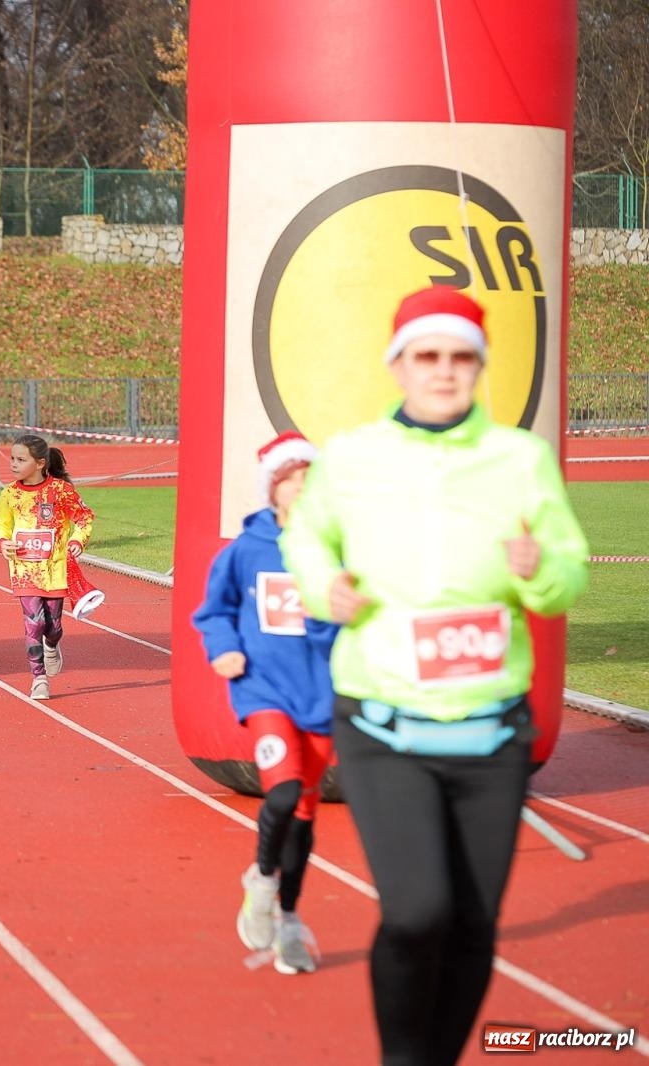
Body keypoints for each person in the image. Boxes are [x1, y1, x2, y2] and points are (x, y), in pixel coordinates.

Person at [281, 286, 589, 1065]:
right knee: (419, 911)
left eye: (461, 358)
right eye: (428, 356)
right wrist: (327, 588)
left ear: (478, 367)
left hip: (492, 730)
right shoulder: (353, 457)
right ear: (401, 366)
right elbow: (308, 540)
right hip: (385, 724)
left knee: (475, 924)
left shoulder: (519, 459)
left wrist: (540, 570)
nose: (445, 372)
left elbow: (566, 566)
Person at [191, 431, 336, 976]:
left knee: (303, 817)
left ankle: (290, 921)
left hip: (320, 694)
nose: (301, 490)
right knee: (284, 795)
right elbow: (213, 612)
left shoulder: (336, 550)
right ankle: (260, 880)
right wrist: (226, 650)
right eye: (291, 481)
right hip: (264, 690)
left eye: (310, 482)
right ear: (273, 489)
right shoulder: (246, 551)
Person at [0, 435, 95, 700]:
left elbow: (83, 519)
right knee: (33, 623)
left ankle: (52, 644)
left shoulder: (60, 491)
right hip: (24, 570)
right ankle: (39, 679)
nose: (13, 464)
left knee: (53, 625)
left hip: (56, 570)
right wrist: (1, 543)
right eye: (12, 458)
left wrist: (76, 542)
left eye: (20, 460)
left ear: (40, 463)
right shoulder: (10, 494)